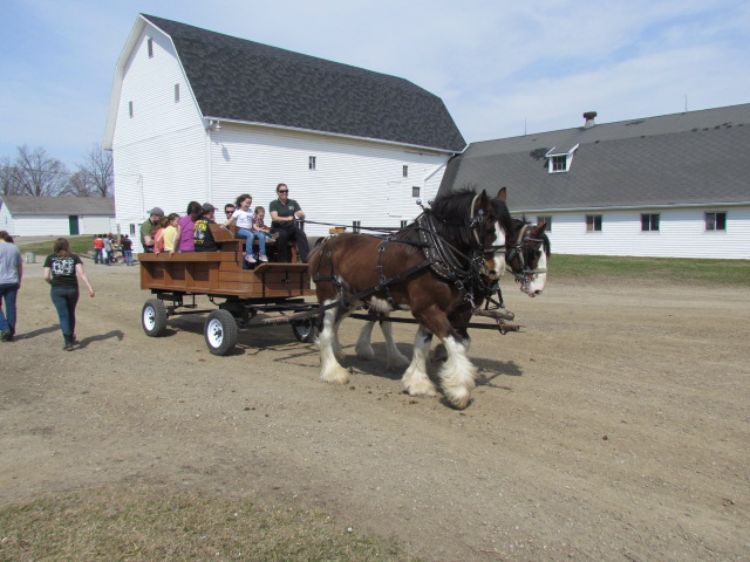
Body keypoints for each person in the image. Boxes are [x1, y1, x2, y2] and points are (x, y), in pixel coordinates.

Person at [43, 238, 95, 351]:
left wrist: (52, 283)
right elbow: (82, 273)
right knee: (71, 313)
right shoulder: (74, 257)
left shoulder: (50, 258)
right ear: (67, 246)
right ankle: (71, 336)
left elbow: (46, 276)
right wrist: (90, 288)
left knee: (63, 315)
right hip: (72, 289)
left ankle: (68, 341)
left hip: (57, 289)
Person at [270, 183, 309, 262]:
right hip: (276, 230)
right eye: (282, 191)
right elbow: (274, 218)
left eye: (286, 191)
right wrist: (287, 218)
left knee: (301, 233)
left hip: (289, 229)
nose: (284, 193)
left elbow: (301, 214)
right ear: (277, 192)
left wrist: (300, 214)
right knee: (282, 234)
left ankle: (306, 260)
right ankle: (283, 261)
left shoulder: (293, 203)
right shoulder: (273, 204)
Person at [226, 194, 267, 263]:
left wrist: (257, 228)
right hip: (240, 230)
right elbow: (230, 220)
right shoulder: (238, 212)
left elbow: (253, 223)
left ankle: (262, 254)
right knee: (250, 235)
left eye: (250, 203)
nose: (248, 205)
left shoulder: (250, 211)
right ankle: (249, 255)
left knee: (262, 235)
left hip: (249, 230)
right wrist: (224, 225)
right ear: (241, 202)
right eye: (247, 203)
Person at [0, 231, 22, 342]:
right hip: (13, 280)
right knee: (11, 306)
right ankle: (11, 331)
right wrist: (19, 280)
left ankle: (5, 328)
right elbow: (19, 267)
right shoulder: (15, 248)